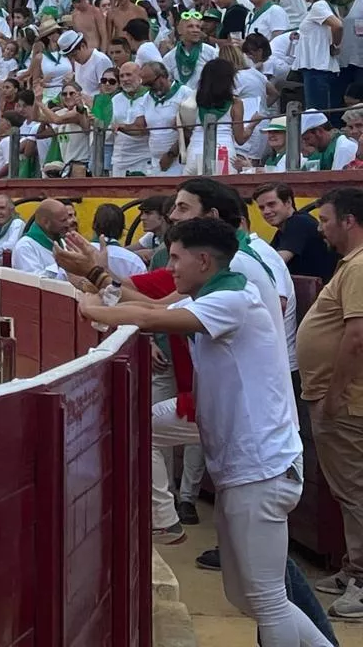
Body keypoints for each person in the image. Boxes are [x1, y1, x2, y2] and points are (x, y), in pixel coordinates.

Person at [80, 216, 325, 647]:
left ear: (204, 259)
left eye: (176, 257)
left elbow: (147, 318)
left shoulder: (232, 299)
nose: (170, 266)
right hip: (249, 463)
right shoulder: (221, 293)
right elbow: (154, 308)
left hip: (261, 466)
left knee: (265, 599)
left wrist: (87, 307)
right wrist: (96, 282)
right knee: (248, 596)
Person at [300, 188, 363, 619]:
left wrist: (335, 395)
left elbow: (357, 337)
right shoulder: (351, 266)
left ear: (349, 221)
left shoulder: (359, 267)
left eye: (325, 220)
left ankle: (361, 578)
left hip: (345, 400)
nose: (320, 228)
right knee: (349, 489)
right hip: (341, 396)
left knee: (356, 491)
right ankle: (353, 568)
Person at [256, 181, 336, 282]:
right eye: (262, 208)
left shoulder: (299, 223)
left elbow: (275, 263)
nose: (266, 211)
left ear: (288, 202)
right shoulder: (282, 231)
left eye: (271, 204)